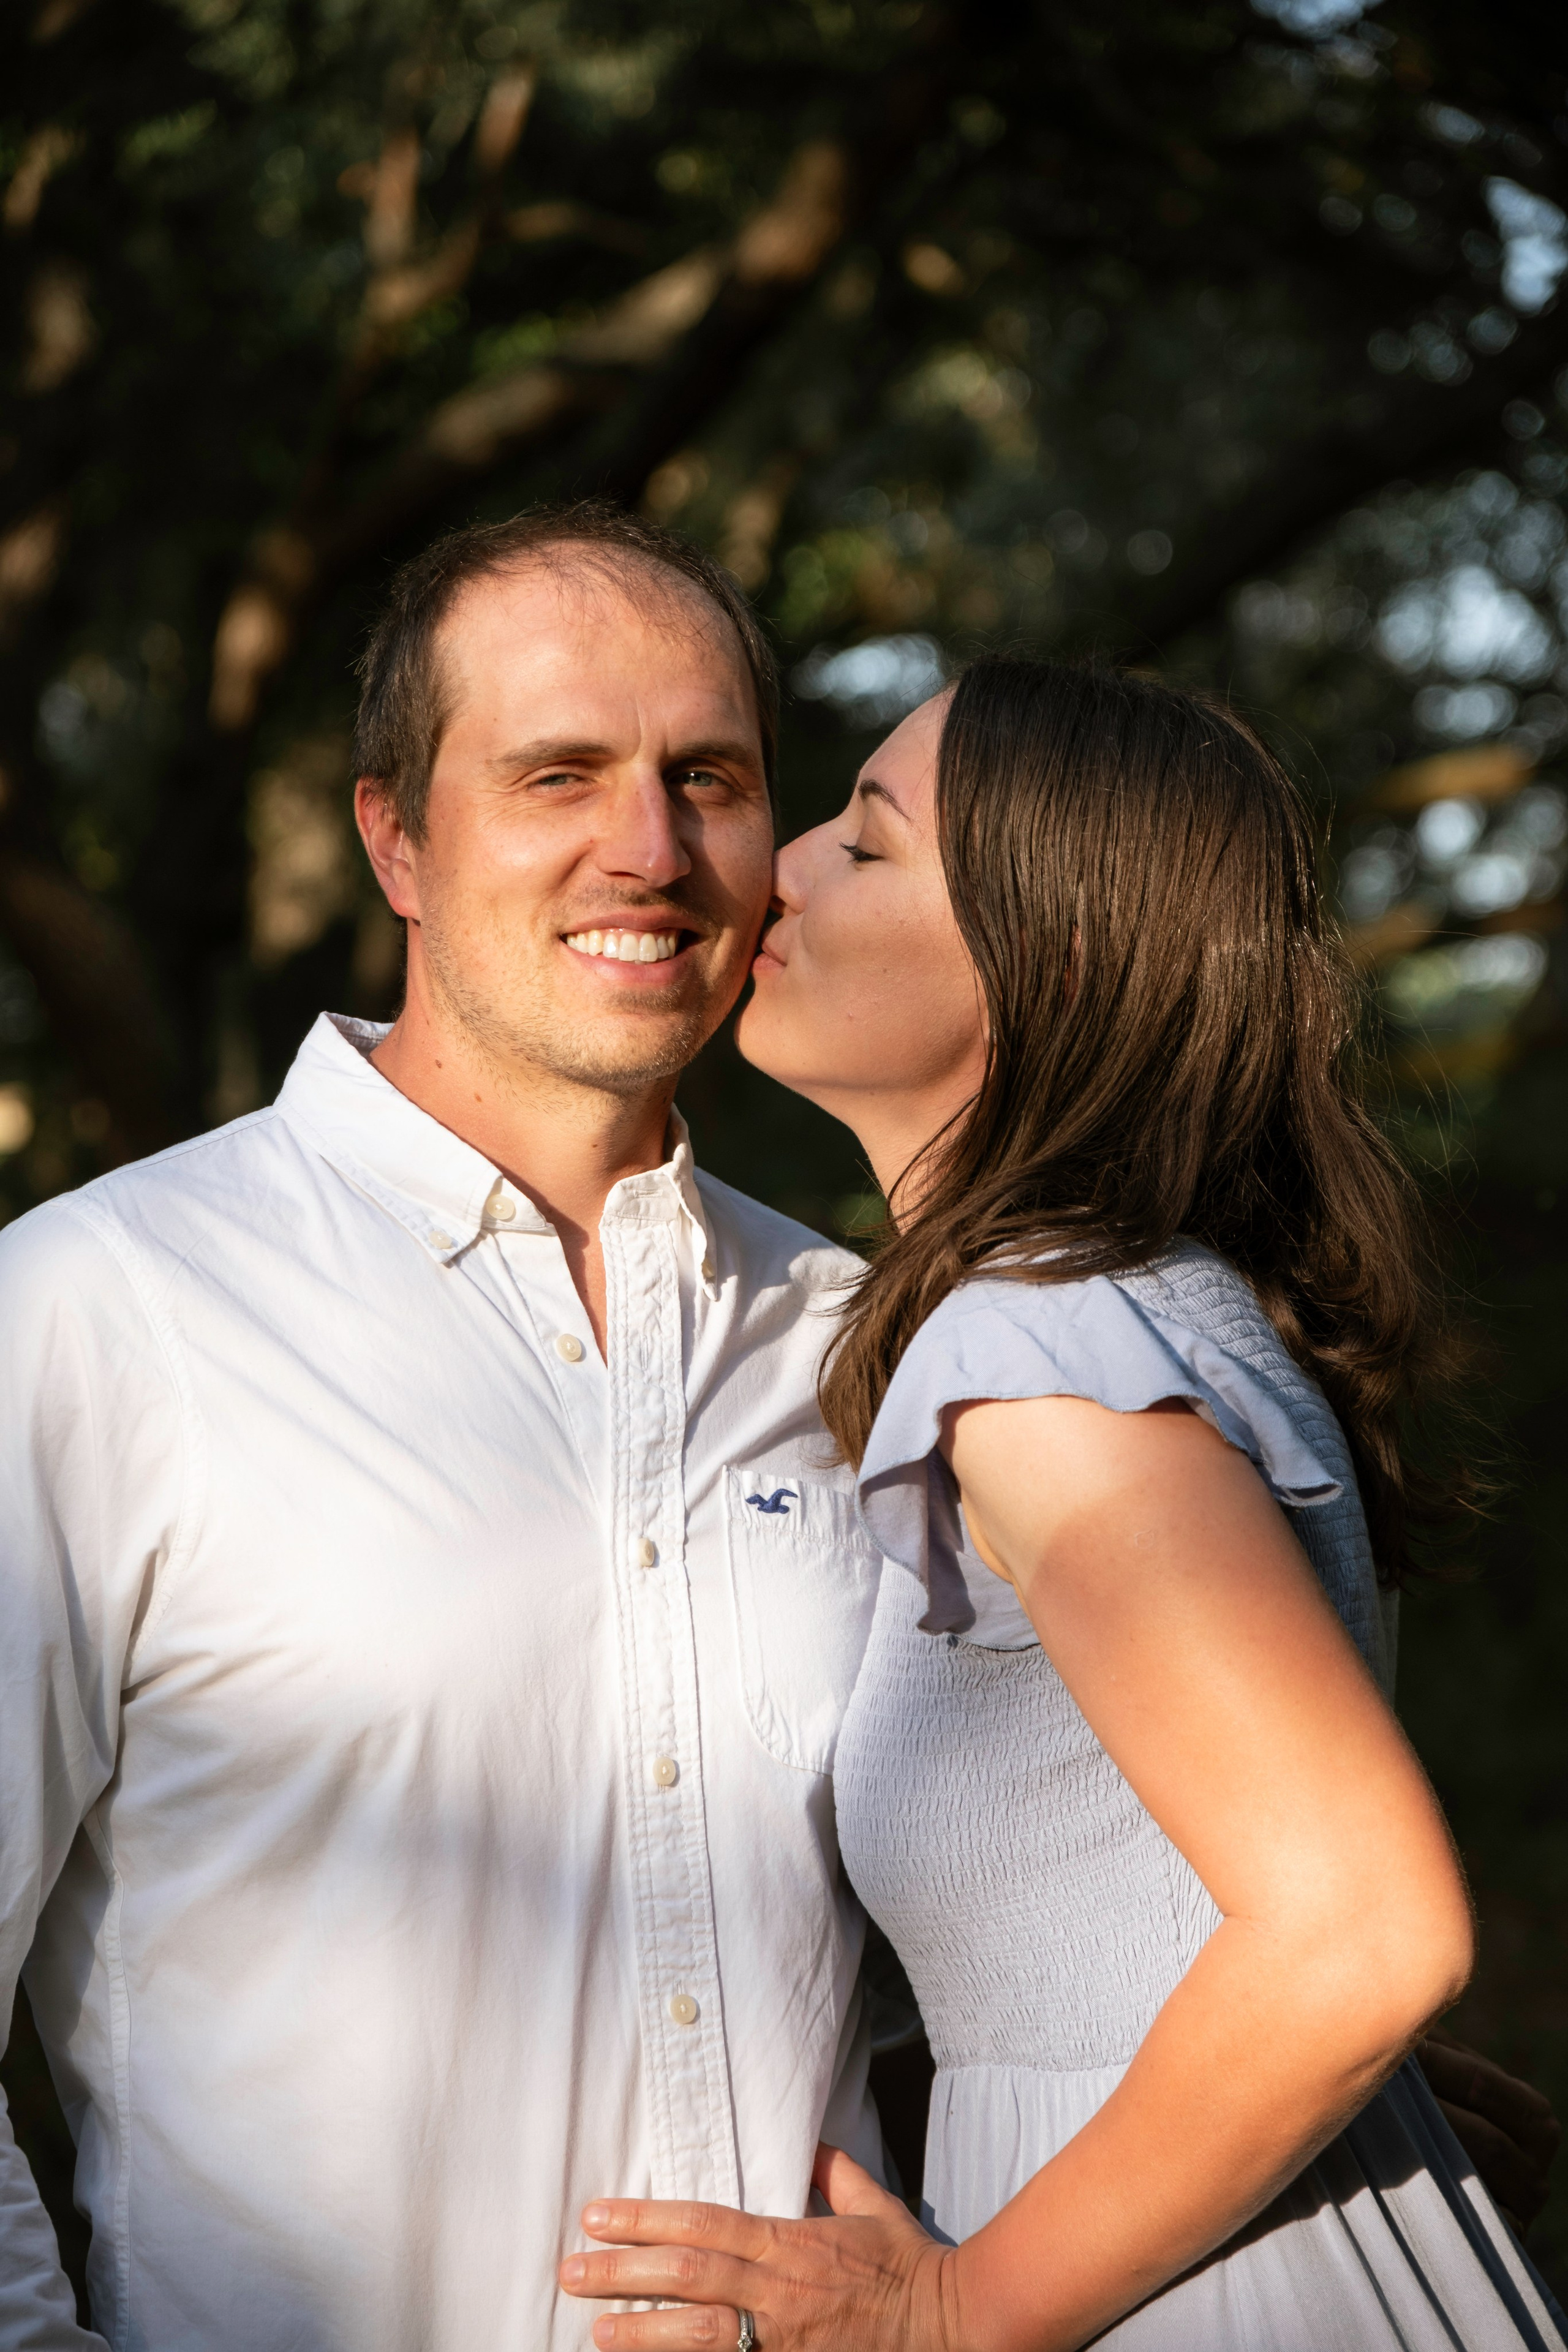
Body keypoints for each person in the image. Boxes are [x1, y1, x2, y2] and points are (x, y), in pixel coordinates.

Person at [560, 658, 1568, 2350]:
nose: (781, 868)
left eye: (867, 844)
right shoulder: (1153, 1302)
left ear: (1051, 966)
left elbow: (1363, 1927)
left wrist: (952, 2312)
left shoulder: (1040, 1347)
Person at [0, 505, 890, 2350]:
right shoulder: (101, 1309)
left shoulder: (855, 1337)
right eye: (558, 774)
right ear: (395, 838)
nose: (650, 851)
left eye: (708, 779)